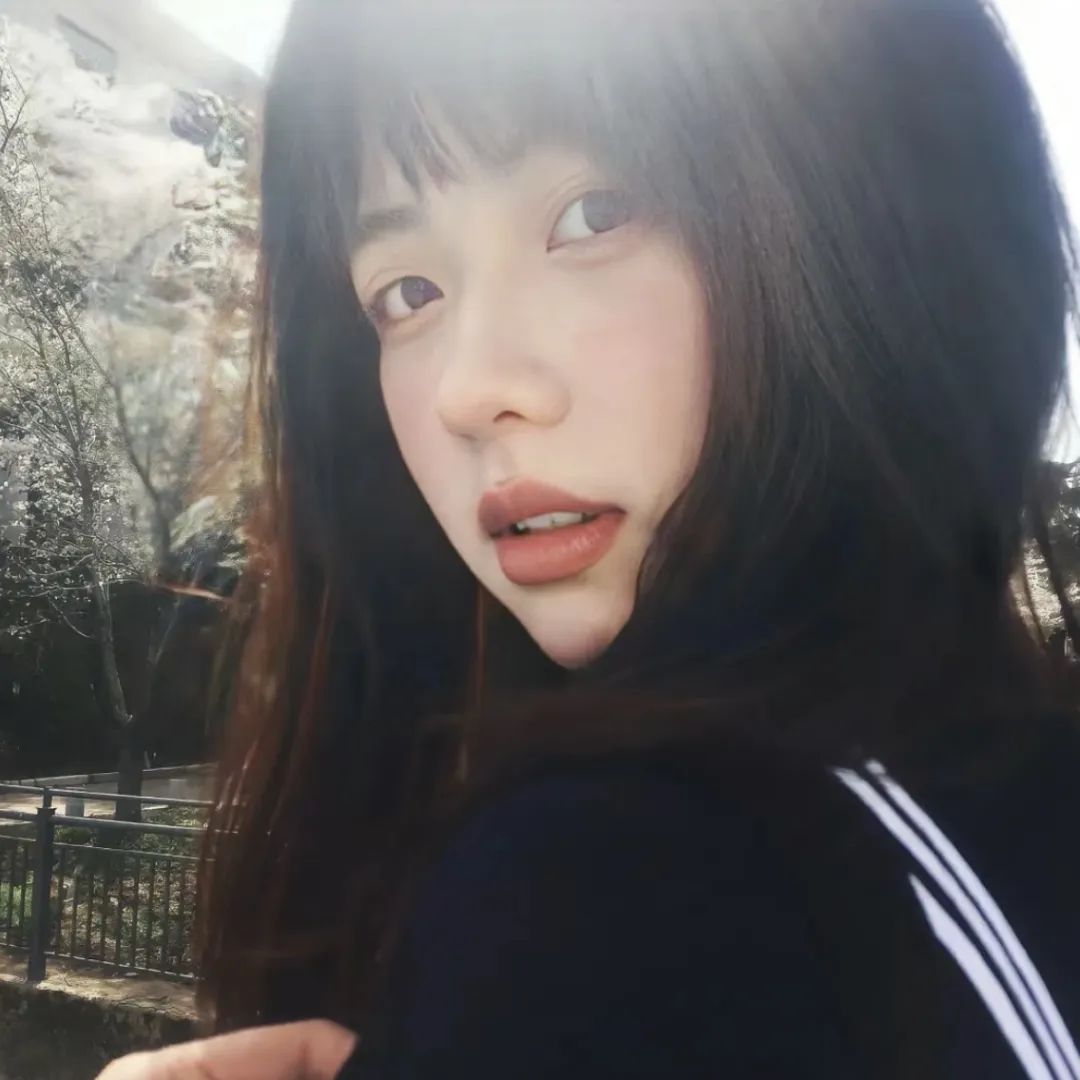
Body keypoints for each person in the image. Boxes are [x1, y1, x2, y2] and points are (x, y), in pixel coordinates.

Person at [98, 0, 1080, 1076]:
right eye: (408, 292)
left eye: (594, 213)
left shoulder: (619, 874)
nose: (470, 389)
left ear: (870, 209)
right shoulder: (1002, 781)